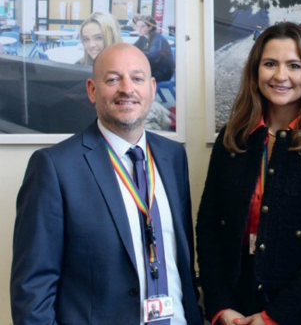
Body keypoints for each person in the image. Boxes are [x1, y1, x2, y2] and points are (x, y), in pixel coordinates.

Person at [10, 43, 203, 325]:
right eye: (113, 79)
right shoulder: (54, 167)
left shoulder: (173, 157)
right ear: (92, 90)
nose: (127, 89)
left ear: (151, 88)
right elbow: (32, 289)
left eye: (137, 78)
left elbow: (181, 261)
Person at [196, 22, 301, 325]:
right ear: (255, 71)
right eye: (270, 63)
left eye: (294, 65)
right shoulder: (232, 139)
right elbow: (208, 227)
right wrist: (219, 306)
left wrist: (275, 318)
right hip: (236, 311)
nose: (280, 76)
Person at [134, 15, 175, 82]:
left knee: (134, 77)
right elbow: (134, 48)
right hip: (153, 68)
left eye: (142, 26)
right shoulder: (143, 37)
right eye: (137, 26)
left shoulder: (157, 38)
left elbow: (152, 57)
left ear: (150, 27)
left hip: (162, 72)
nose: (139, 29)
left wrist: (136, 55)